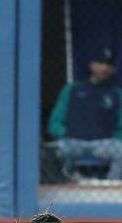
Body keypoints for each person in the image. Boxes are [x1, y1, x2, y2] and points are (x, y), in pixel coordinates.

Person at [48, 47, 122, 180]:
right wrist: (68, 133)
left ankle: (111, 187)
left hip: (103, 143)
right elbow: (54, 122)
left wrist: (111, 137)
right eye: (100, 63)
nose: (104, 68)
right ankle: (68, 181)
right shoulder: (72, 89)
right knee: (50, 153)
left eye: (109, 65)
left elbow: (120, 126)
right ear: (92, 65)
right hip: (73, 141)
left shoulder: (116, 94)